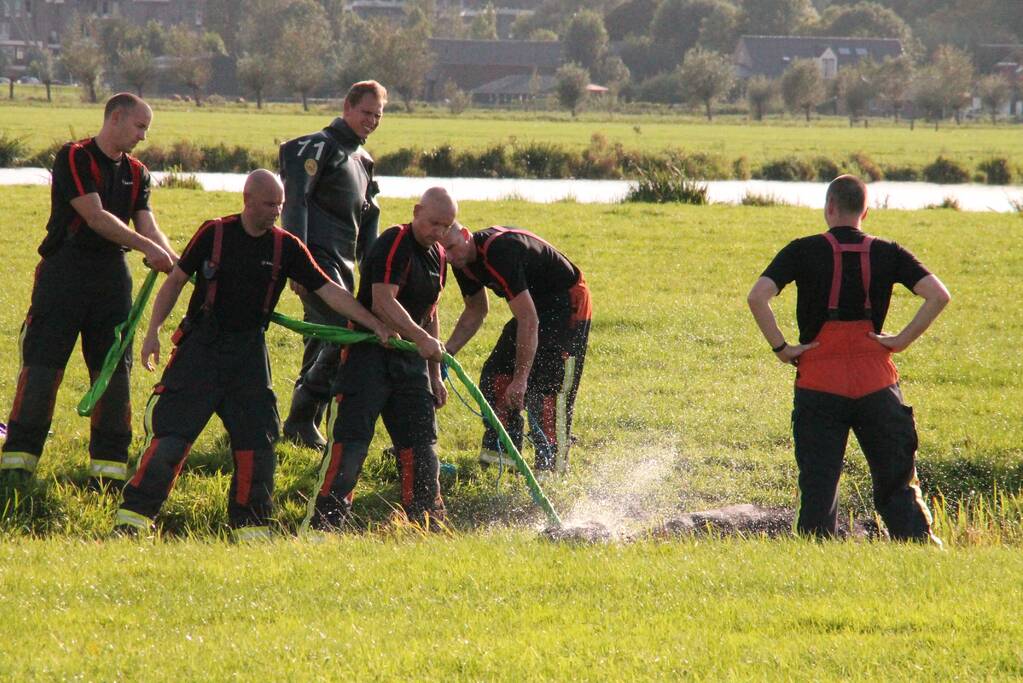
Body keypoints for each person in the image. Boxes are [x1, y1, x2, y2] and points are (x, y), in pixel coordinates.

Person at [113, 170, 392, 539]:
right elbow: (175, 281)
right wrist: (153, 333)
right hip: (201, 350)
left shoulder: (287, 246)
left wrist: (373, 323)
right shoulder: (214, 232)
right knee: (171, 439)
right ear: (247, 201)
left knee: (258, 444)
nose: (276, 211)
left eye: (280, 204)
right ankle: (132, 521)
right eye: (269, 204)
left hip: (249, 354)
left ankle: (251, 530)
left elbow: (328, 290)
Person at [746, 174, 950, 542]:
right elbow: (939, 295)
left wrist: (782, 349)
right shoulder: (889, 251)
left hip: (819, 380)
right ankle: (919, 546)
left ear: (829, 207)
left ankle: (817, 555)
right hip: (877, 381)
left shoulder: (802, 250)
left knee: (819, 487)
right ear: (865, 212)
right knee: (897, 484)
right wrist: (900, 340)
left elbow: (757, 296)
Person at [0, 93, 176, 490]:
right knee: (43, 369)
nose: (143, 136)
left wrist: (176, 261)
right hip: (64, 276)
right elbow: (95, 216)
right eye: (140, 126)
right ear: (116, 118)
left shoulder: (138, 172)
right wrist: (147, 248)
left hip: (112, 280)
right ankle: (17, 467)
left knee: (113, 372)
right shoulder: (75, 157)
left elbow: (148, 226)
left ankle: (108, 472)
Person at [304, 187, 455, 531]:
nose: (438, 232)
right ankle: (325, 526)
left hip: (411, 365)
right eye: (434, 223)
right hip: (368, 358)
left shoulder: (439, 256)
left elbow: (430, 314)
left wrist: (435, 375)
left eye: (446, 227)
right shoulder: (394, 241)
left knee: (421, 446)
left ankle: (424, 523)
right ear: (416, 211)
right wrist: (420, 338)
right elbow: (383, 301)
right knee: (351, 446)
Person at [278, 80, 387, 450]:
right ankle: (301, 418)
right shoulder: (315, 147)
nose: (371, 120)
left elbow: (369, 225)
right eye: (366, 112)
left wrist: (377, 278)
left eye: (378, 115)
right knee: (343, 333)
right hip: (316, 260)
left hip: (345, 266)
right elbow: (295, 203)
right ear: (347, 107)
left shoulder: (363, 160)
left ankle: (307, 423)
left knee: (323, 337)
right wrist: (297, 262)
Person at [442, 223, 592, 473]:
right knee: (496, 377)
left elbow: (528, 320)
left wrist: (521, 379)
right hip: (533, 307)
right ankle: (501, 462)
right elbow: (476, 310)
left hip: (566, 302)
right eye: (442, 251)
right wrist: (445, 355)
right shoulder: (461, 260)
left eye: (451, 247)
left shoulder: (499, 251)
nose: (447, 256)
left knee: (546, 389)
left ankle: (551, 472)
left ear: (466, 235)